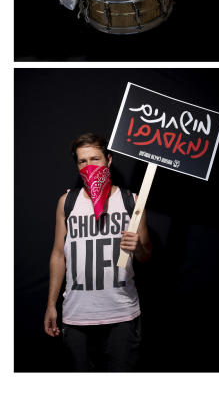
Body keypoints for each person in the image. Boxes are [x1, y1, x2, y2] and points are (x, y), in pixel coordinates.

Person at [44, 133, 152, 371]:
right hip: (77, 316)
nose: (89, 165)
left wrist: (139, 247)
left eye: (95, 158)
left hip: (122, 314)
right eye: (83, 161)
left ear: (108, 160)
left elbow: (146, 256)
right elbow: (58, 255)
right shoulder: (67, 202)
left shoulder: (131, 202)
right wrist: (51, 304)